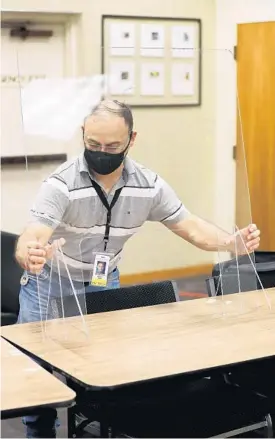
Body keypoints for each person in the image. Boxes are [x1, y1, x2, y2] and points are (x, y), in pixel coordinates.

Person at [15, 99, 260, 438]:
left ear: (132, 140)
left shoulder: (149, 185)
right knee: (34, 370)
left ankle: (100, 425)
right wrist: (31, 252)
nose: (102, 152)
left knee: (102, 361)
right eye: (93, 144)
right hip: (49, 281)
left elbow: (188, 225)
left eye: (112, 146)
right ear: (83, 135)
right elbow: (33, 233)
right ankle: (38, 433)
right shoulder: (60, 184)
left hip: (102, 278)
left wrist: (229, 244)